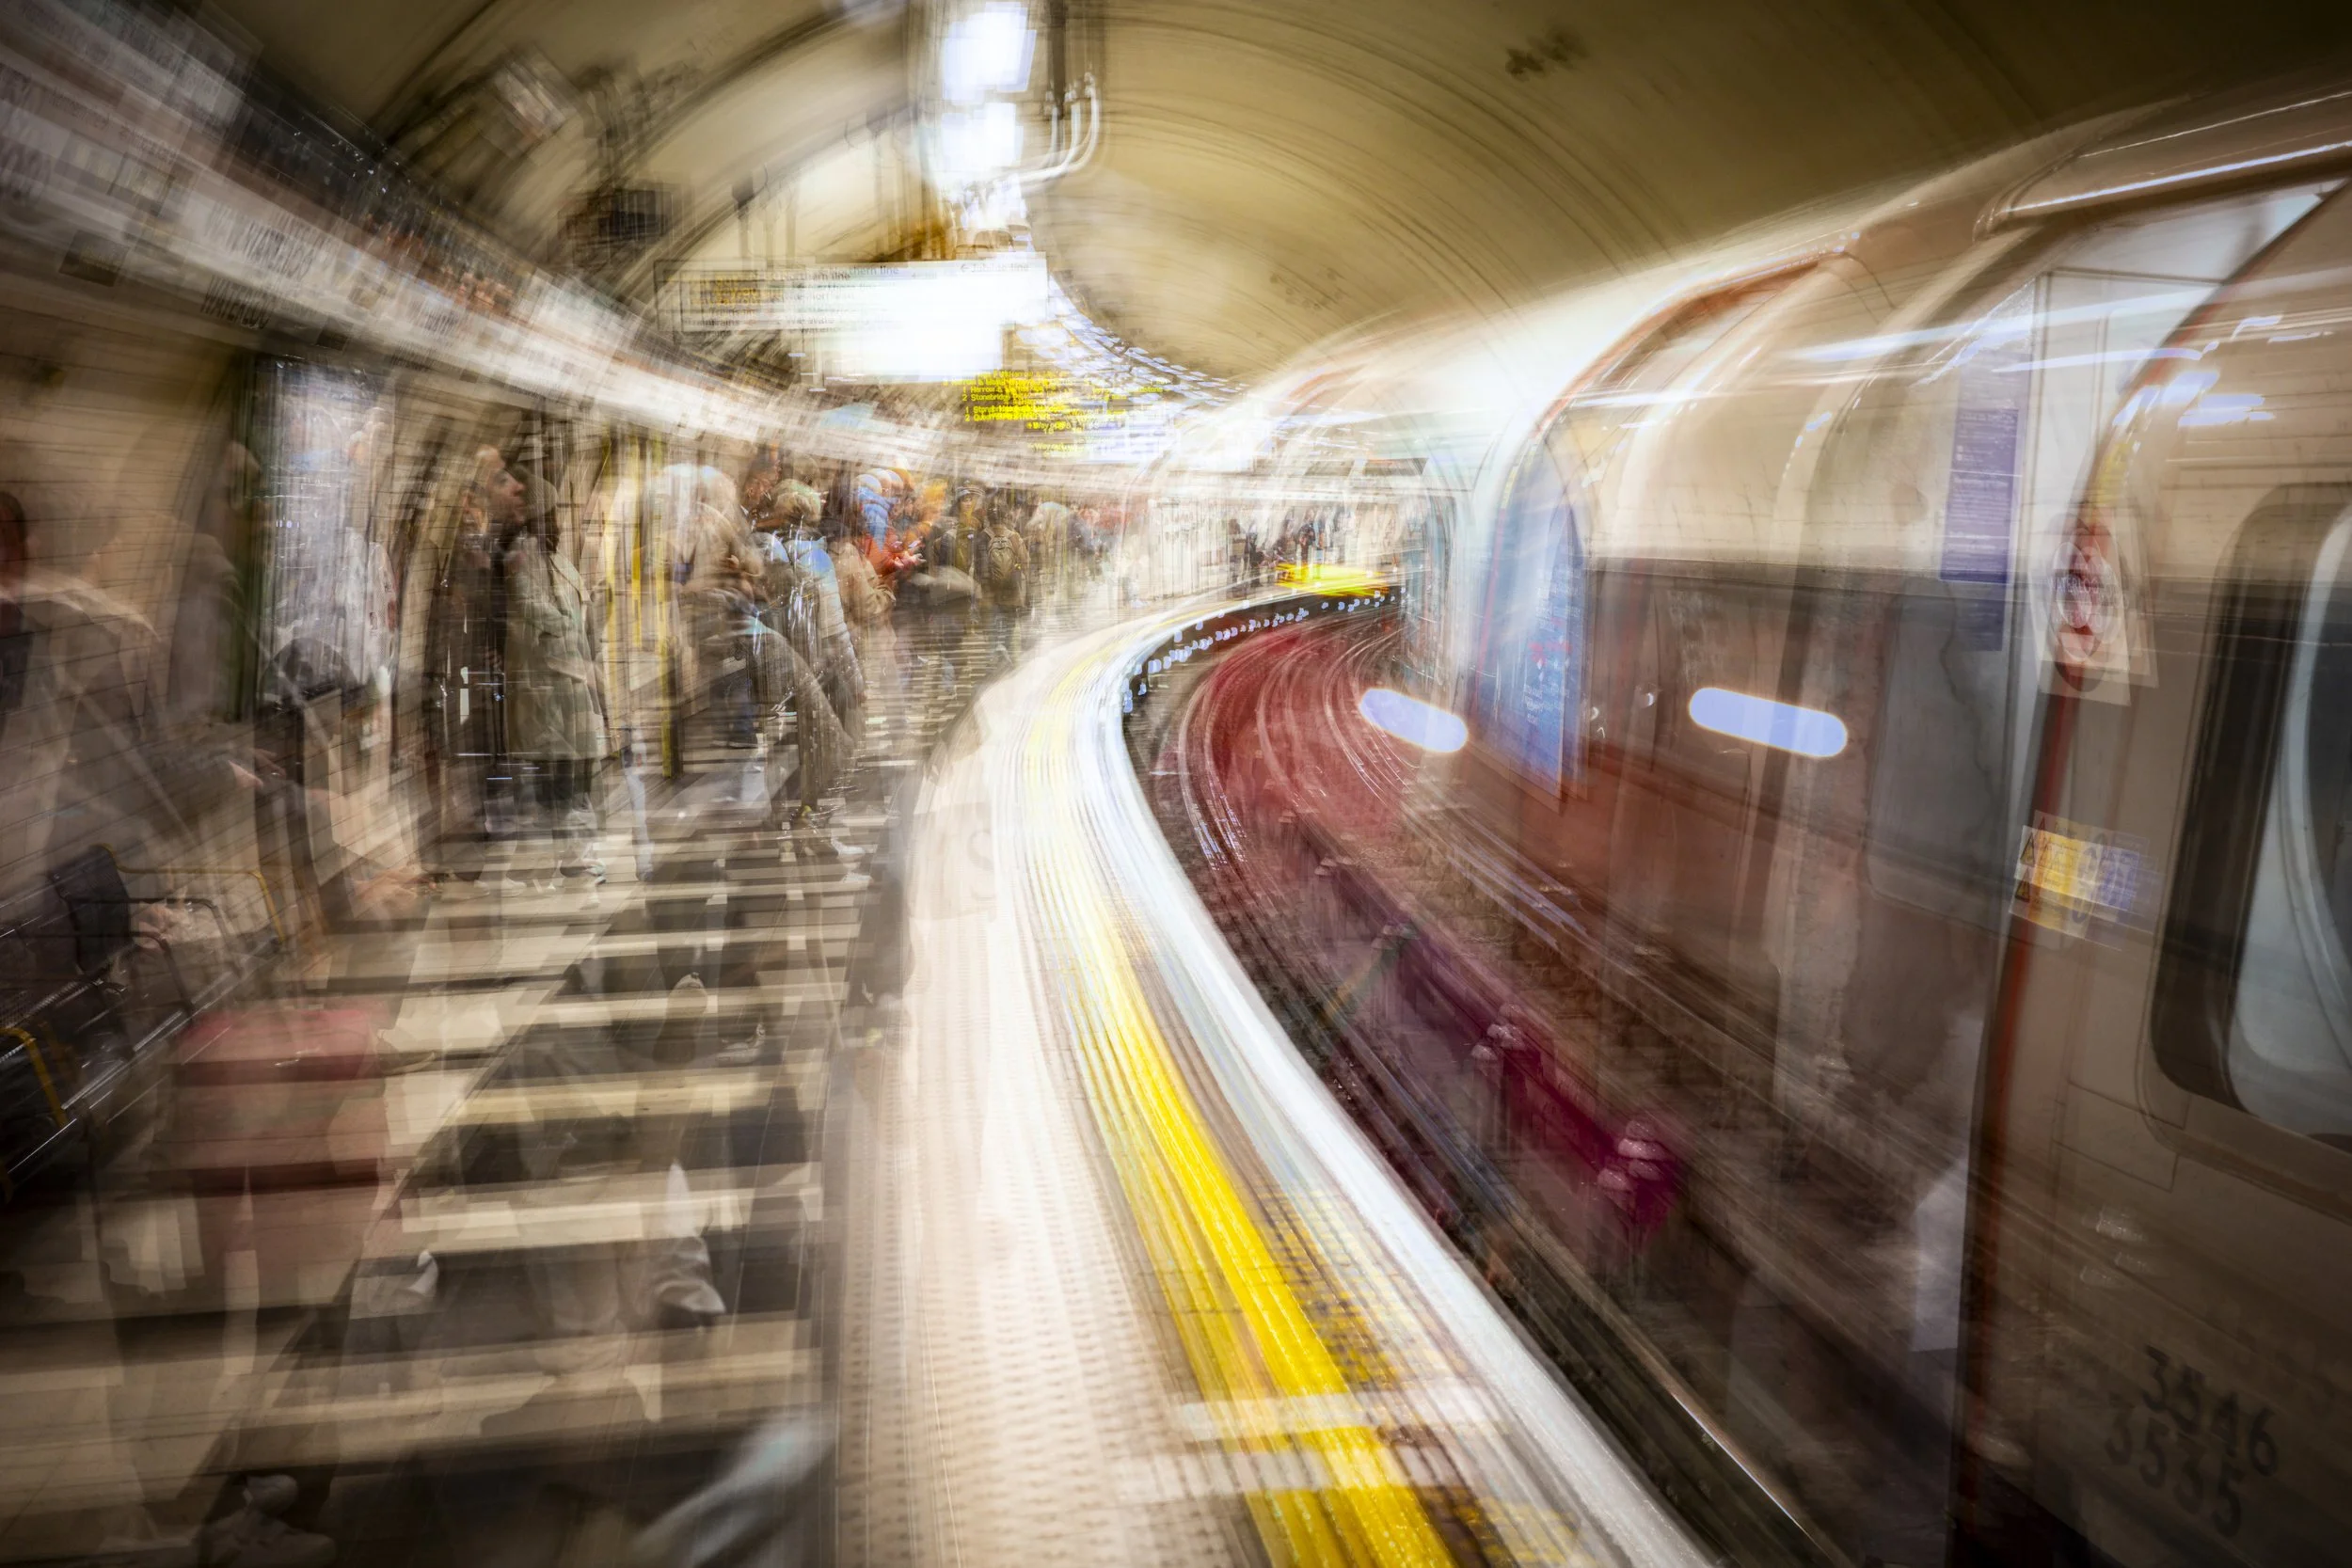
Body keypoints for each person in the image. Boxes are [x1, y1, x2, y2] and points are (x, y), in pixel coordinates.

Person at [502, 476, 607, 881]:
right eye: (552, 515)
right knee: (557, 773)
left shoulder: (555, 558)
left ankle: (573, 852)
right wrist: (564, 625)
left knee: (575, 771)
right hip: (547, 683)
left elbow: (581, 606)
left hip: (571, 680)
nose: (559, 524)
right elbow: (529, 604)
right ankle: (557, 856)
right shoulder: (523, 555)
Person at [976, 499, 1029, 664]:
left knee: (991, 625)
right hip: (1011, 590)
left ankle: (992, 656)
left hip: (989, 592)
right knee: (1009, 623)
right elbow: (1025, 562)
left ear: (988, 517)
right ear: (1006, 516)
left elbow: (977, 567)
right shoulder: (1014, 537)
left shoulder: (981, 537)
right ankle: (1008, 653)